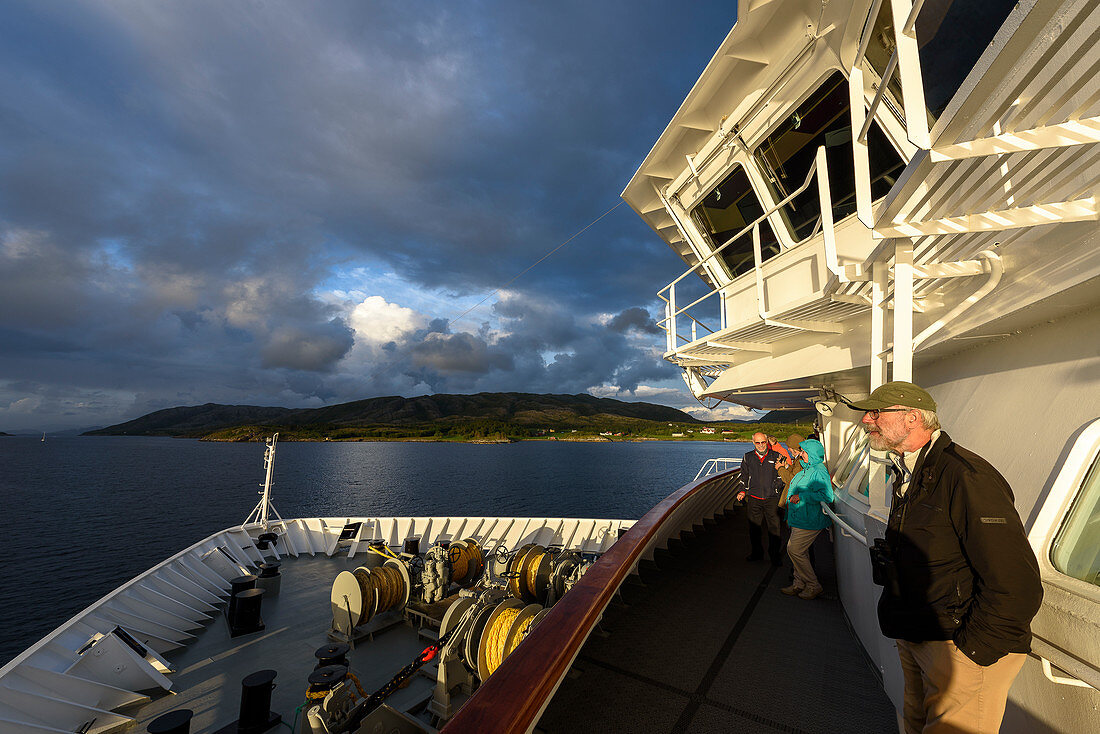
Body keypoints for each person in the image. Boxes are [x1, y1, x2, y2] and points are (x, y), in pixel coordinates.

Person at [851, 381, 1042, 734]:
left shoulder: (967, 477)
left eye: (876, 412)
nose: (866, 420)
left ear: (911, 418)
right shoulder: (911, 469)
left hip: (959, 647)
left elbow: (1016, 581)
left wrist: (972, 653)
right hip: (920, 634)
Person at [781, 438, 833, 599]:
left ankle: (813, 585)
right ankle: (798, 583)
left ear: (811, 454)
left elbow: (827, 495)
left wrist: (802, 496)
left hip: (810, 520)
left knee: (794, 550)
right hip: (800, 518)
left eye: (803, 452)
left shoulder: (818, 471)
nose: (801, 454)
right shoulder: (807, 469)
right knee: (800, 552)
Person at [736, 432, 785, 565]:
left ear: (767, 442)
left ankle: (775, 556)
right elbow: (744, 476)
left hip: (772, 498)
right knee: (754, 528)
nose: (761, 445)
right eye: (758, 443)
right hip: (754, 498)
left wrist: (776, 488)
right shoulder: (747, 457)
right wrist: (742, 491)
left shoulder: (777, 456)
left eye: (763, 442)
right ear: (753, 443)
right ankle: (757, 553)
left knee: (774, 529)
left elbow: (782, 477)